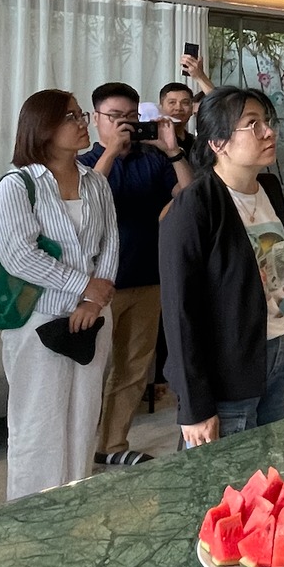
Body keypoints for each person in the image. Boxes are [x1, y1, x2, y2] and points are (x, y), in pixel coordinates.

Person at [0, 91, 120, 499]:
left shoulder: (96, 182)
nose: (82, 122)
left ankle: (74, 506)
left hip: (93, 317)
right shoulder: (18, 185)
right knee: (37, 424)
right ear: (42, 127)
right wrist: (82, 286)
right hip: (38, 319)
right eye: (70, 116)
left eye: (80, 114)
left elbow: (111, 244)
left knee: (84, 417)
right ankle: (32, 515)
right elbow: (18, 256)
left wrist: (93, 300)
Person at [160, 89, 284, 444]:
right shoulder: (196, 204)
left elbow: (281, 277)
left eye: (267, 122)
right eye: (253, 125)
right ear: (218, 143)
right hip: (228, 362)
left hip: (277, 346)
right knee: (226, 471)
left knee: (267, 462)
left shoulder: (269, 188)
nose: (268, 132)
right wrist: (194, 405)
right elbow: (180, 311)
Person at [82, 82, 191, 466]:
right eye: (115, 117)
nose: (124, 125)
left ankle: (111, 446)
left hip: (148, 276)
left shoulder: (153, 160)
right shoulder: (83, 164)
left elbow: (190, 196)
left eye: (131, 117)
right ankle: (76, 449)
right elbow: (86, 204)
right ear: (96, 119)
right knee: (89, 370)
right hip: (97, 284)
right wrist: (111, 152)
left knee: (132, 367)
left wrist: (172, 150)